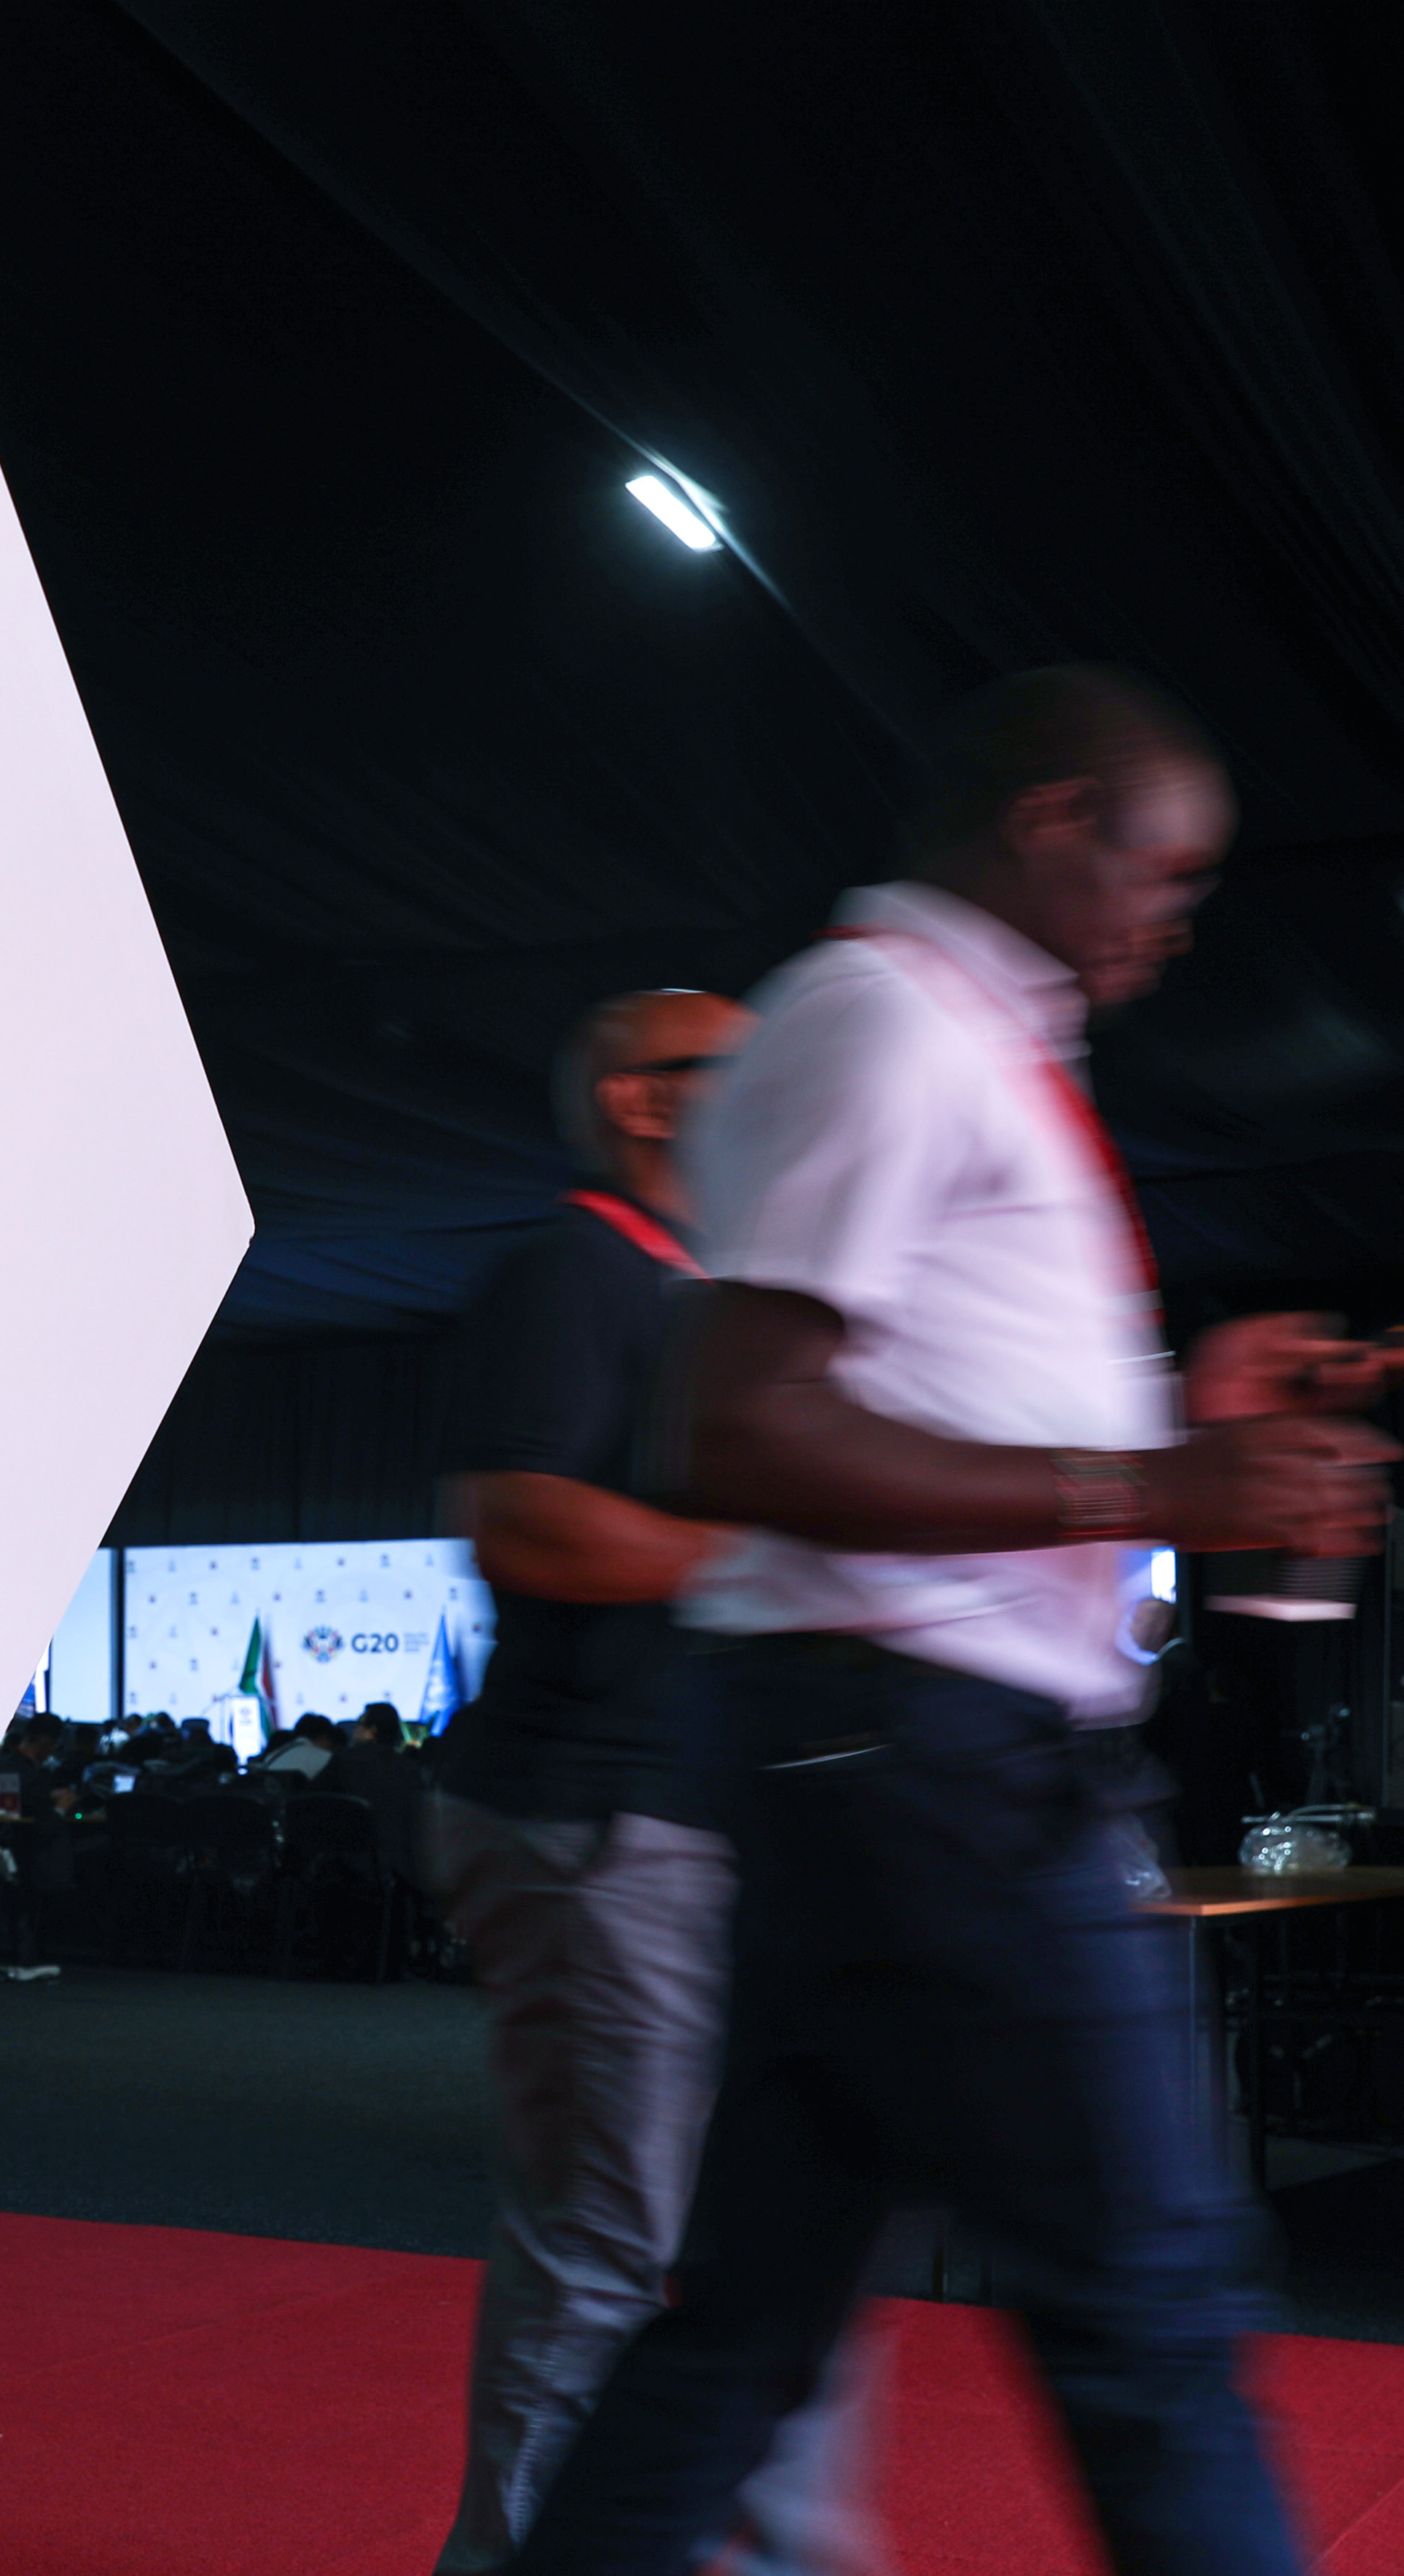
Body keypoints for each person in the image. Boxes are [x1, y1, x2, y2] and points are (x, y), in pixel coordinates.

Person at [498, 669, 1403, 2576]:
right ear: (1054, 819)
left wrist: (1186, 1422)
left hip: (878, 1755)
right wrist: (1151, 1487)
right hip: (930, 1768)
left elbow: (930, 1403)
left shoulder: (966, 1040)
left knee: (745, 2330)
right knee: (1150, 2307)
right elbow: (737, 1429)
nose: (1176, 916)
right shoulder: (883, 1018)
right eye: (1165, 869)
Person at [421, 986, 871, 2576]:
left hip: (704, 1823)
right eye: (741, 1069)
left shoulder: (709, 1294)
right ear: (643, 1100)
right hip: (594, 1816)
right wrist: (777, 1556)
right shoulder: (575, 1270)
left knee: (767, 2241)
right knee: (608, 2250)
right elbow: (526, 1523)